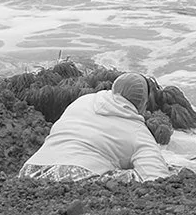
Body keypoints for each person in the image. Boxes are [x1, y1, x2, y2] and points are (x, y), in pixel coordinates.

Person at [18, 73, 176, 181]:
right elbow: (156, 178)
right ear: (142, 103)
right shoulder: (138, 131)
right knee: (135, 178)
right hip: (75, 175)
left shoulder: (83, 101)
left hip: (29, 171)